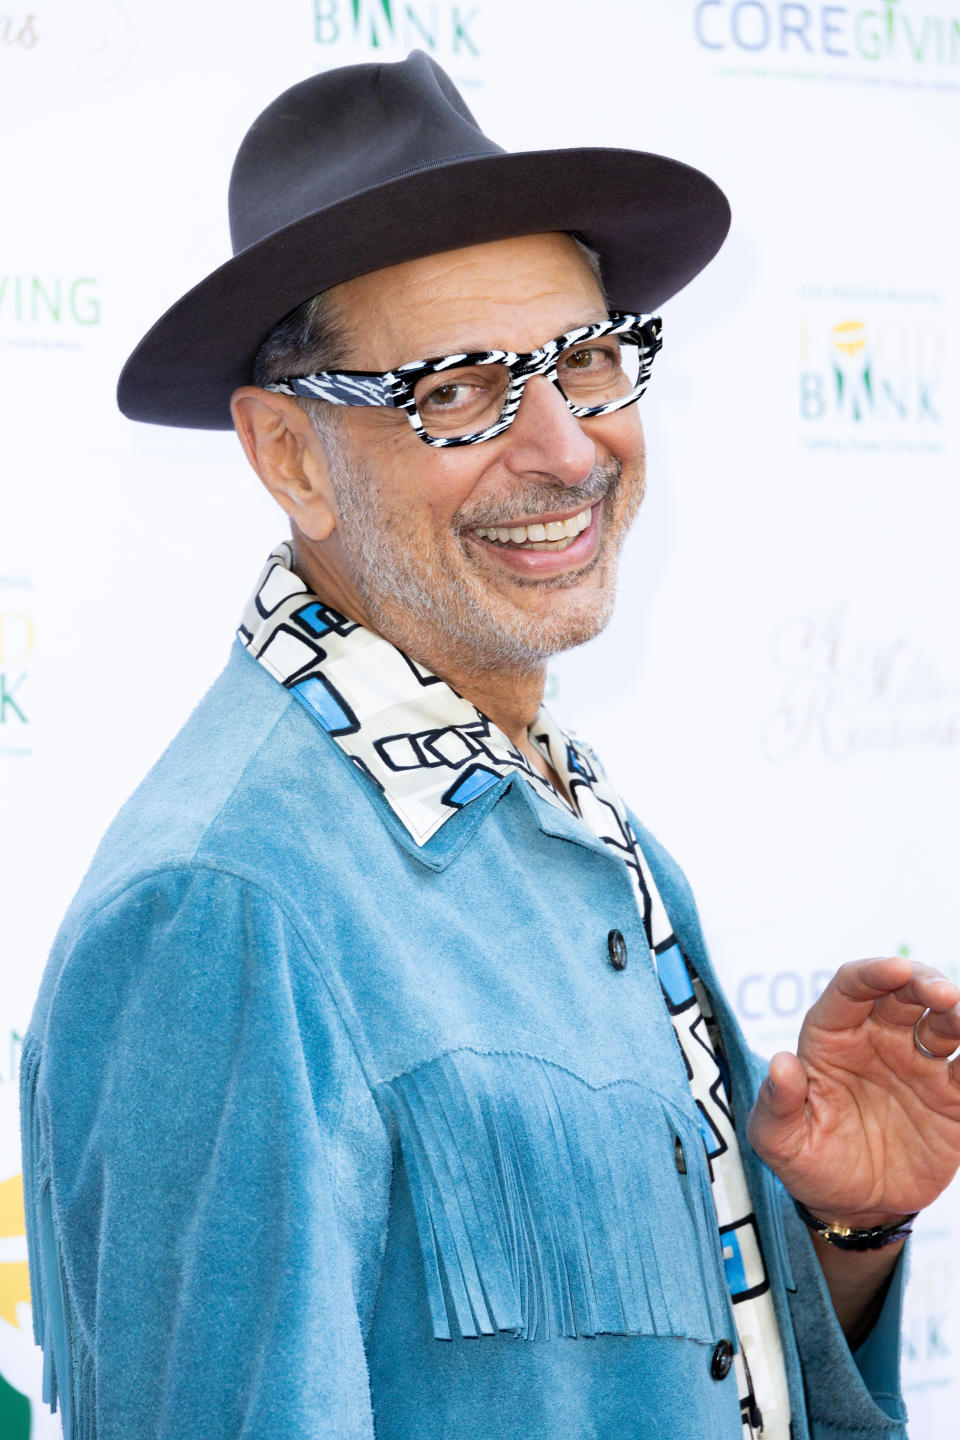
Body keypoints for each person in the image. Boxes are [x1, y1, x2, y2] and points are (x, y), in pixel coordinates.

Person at [20, 50, 960, 1440]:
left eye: (585, 363)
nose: (568, 451)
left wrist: (841, 1228)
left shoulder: (574, 816)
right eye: (457, 390)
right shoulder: (226, 912)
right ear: (289, 457)